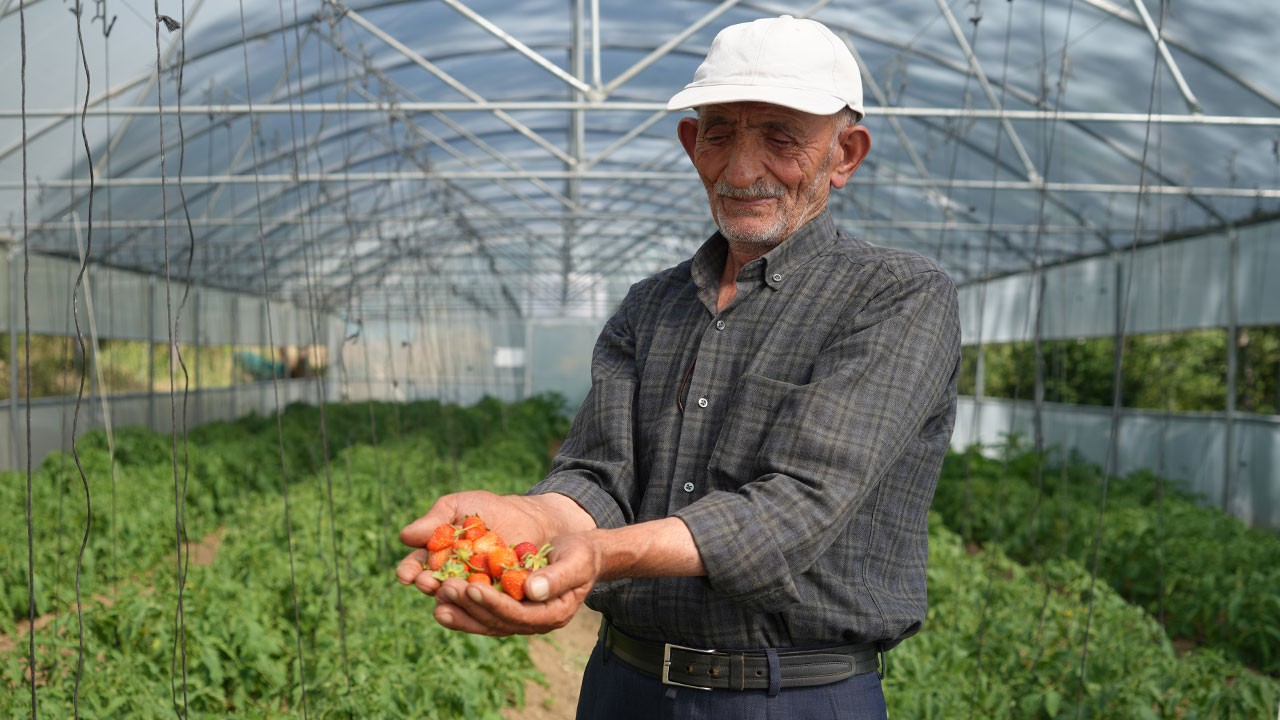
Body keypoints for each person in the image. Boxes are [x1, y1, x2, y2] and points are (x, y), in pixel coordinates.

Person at [397, 14, 960, 720]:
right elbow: (601, 474)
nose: (742, 168)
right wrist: (532, 518)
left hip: (792, 696)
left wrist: (597, 555)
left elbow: (799, 503)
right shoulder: (651, 305)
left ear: (845, 154)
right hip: (623, 685)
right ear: (693, 144)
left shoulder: (895, 297)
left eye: (781, 137)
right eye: (720, 132)